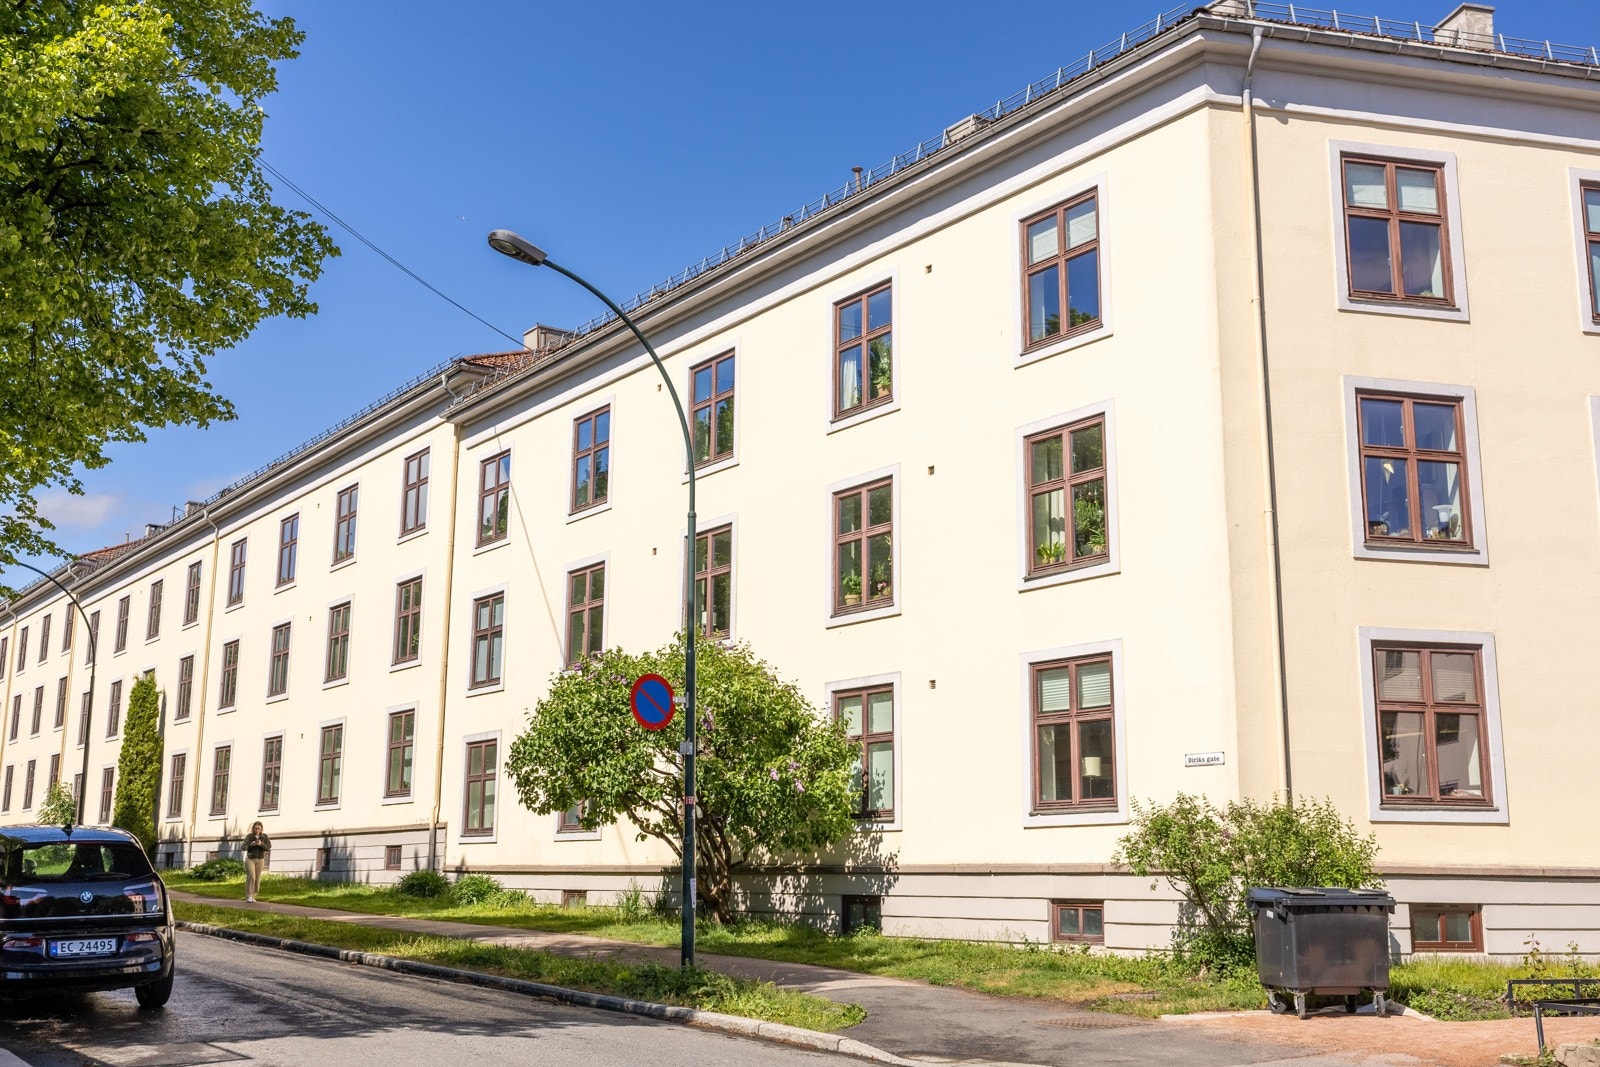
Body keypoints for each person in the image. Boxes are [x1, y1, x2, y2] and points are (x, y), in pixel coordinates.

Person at [243, 822, 271, 903]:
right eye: (255, 828)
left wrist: (261, 844)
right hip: (250, 859)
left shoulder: (264, 836)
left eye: (259, 828)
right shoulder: (249, 836)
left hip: (260, 859)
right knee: (252, 876)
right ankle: (249, 896)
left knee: (257, 878)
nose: (257, 830)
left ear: (261, 829)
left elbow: (268, 847)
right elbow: (243, 847)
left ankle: (253, 896)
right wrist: (251, 844)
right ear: (253, 829)